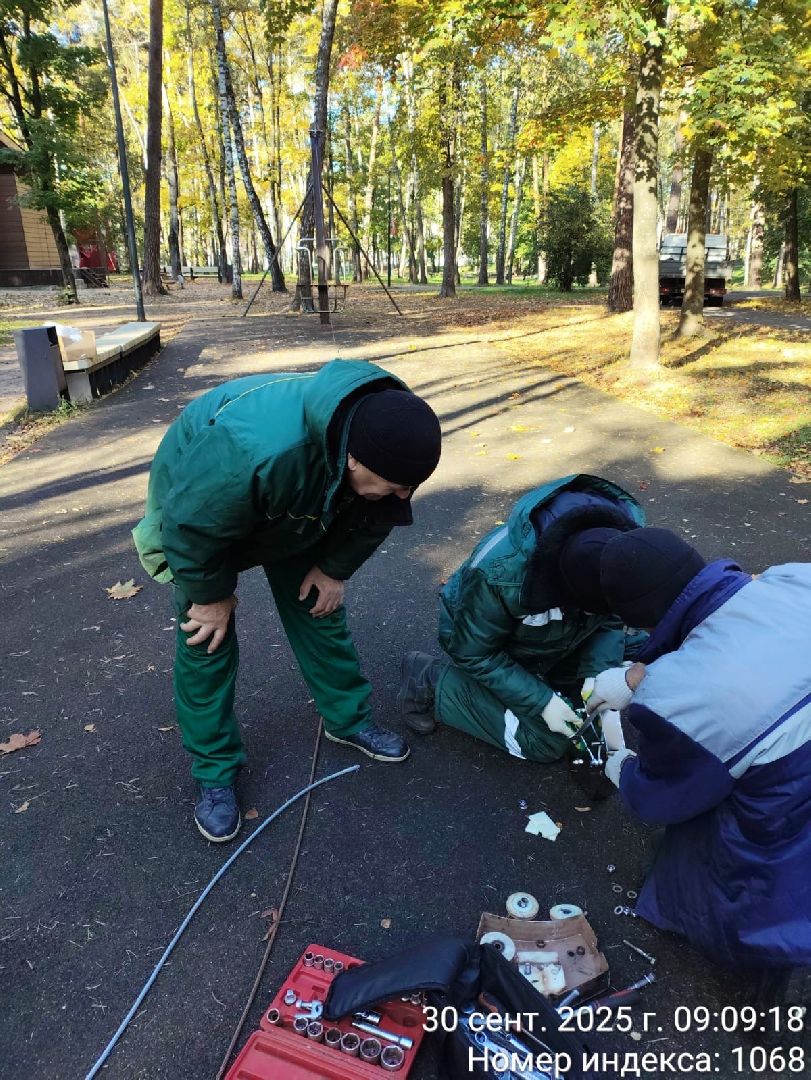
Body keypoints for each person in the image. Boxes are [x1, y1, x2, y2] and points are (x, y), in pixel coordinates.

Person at [133, 359, 442, 842]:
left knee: (319, 608)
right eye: (395, 486)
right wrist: (212, 596)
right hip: (204, 499)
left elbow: (381, 511)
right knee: (206, 637)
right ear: (355, 460)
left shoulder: (387, 431)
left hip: (300, 494)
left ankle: (349, 720)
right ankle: (215, 771)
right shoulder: (251, 452)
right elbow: (190, 526)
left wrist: (334, 568)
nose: (402, 496)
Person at [586, 527, 811, 991]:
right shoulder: (792, 579)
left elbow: (661, 797)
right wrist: (636, 674)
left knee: (743, 850)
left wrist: (622, 767)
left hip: (794, 790)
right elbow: (747, 645)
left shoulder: (680, 697)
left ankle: (761, 977)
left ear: (642, 620)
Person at [397, 474, 645, 761]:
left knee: (643, 650)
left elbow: (609, 620)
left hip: (558, 633)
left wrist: (596, 673)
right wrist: (542, 702)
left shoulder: (623, 549)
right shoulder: (499, 575)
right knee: (546, 743)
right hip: (483, 642)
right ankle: (430, 678)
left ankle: (554, 677)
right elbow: (474, 652)